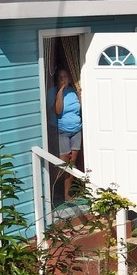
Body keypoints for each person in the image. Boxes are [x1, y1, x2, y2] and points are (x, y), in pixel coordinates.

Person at [53, 67, 82, 201]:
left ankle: (67, 193)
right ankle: (56, 191)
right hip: (63, 130)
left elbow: (81, 107)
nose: (63, 79)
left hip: (76, 129)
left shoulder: (74, 91)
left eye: (65, 76)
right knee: (62, 162)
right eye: (61, 77)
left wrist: (80, 95)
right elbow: (58, 110)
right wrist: (60, 90)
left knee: (72, 162)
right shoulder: (56, 93)